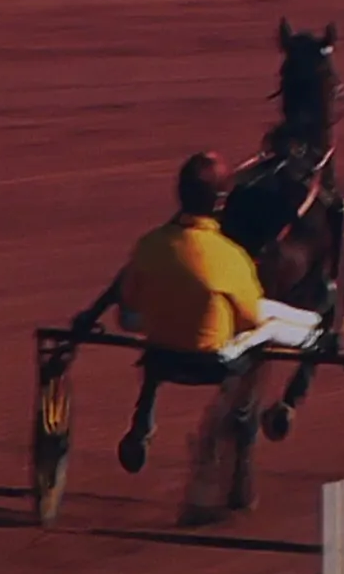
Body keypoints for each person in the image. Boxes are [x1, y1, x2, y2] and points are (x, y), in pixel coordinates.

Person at [69, 152, 325, 473]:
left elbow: (129, 300)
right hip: (215, 358)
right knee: (281, 322)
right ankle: (318, 333)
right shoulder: (231, 257)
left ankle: (143, 421)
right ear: (221, 203)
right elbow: (250, 319)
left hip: (160, 348)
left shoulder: (149, 244)